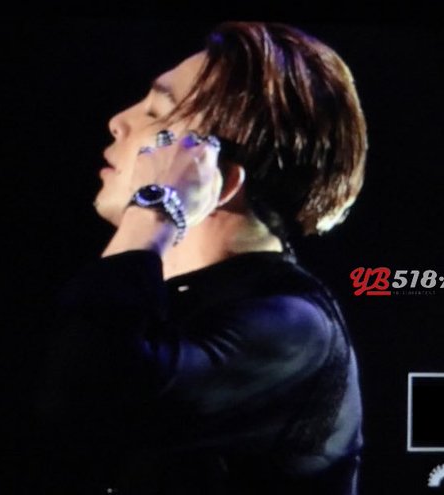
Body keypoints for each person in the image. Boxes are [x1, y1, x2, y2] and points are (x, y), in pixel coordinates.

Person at [37, 21, 367, 495]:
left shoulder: (293, 327)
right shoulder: (167, 301)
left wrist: (155, 209)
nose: (119, 120)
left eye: (156, 112)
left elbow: (85, 397)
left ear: (217, 176)